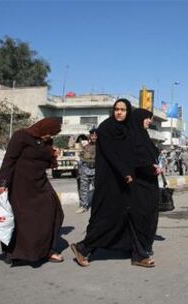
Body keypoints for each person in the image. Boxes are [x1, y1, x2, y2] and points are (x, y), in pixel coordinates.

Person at [70, 99, 155, 268]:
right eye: (117, 109)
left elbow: (132, 152)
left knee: (131, 216)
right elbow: (111, 154)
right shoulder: (106, 128)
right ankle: (83, 247)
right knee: (109, 217)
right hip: (111, 180)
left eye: (123, 110)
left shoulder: (128, 128)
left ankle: (138, 254)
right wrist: (125, 172)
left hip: (126, 181)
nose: (119, 112)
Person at [0, 118, 64, 264]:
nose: (50, 137)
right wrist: (2, 183)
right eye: (49, 133)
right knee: (23, 219)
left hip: (40, 183)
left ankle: (47, 250)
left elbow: (47, 164)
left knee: (54, 211)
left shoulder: (47, 142)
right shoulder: (21, 136)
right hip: (20, 185)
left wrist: (53, 156)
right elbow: (9, 160)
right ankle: (16, 252)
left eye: (53, 134)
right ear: (42, 127)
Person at [130, 108, 162, 257]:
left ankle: (146, 244)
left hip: (150, 183)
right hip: (140, 184)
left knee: (151, 214)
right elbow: (136, 160)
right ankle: (140, 247)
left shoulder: (144, 136)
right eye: (147, 118)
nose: (150, 121)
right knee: (142, 215)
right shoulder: (133, 137)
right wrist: (151, 168)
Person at [75, 128, 97, 214]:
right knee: (83, 189)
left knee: (98, 189)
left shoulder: (102, 146)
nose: (94, 137)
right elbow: (81, 159)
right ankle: (83, 206)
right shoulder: (86, 147)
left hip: (97, 170)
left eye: (96, 135)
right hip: (86, 170)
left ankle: (99, 205)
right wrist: (80, 170)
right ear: (90, 136)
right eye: (92, 135)